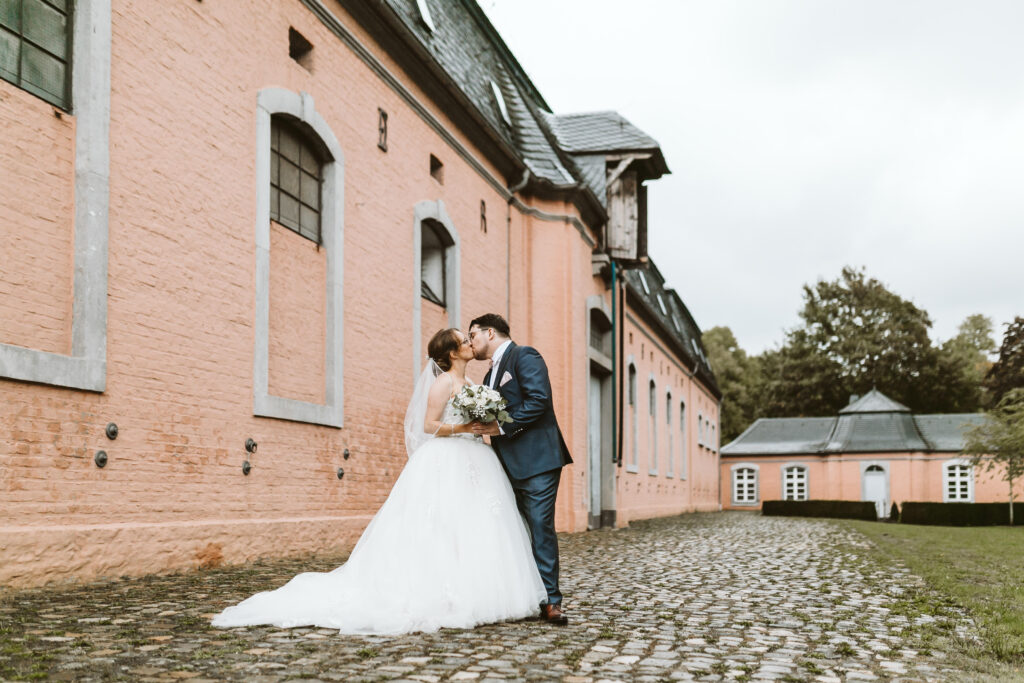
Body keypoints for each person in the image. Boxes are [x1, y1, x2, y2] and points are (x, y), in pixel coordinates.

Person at [211, 328, 546, 634]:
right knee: (439, 524)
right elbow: (428, 425)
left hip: (476, 459)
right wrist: (462, 428)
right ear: (452, 353)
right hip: (447, 458)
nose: (469, 344)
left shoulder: (475, 386)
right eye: (462, 341)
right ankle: (440, 592)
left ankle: (479, 590)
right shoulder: (443, 383)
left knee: (474, 524)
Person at [468, 314, 573, 625]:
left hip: (538, 460)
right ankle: (527, 595)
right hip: (505, 465)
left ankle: (551, 601)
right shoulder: (488, 377)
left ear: (490, 332)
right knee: (515, 531)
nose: (471, 343)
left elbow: (538, 400)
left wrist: (498, 426)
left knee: (540, 527)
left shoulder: (524, 355)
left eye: (473, 335)